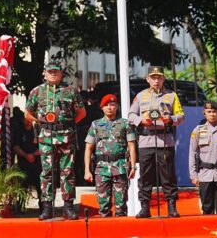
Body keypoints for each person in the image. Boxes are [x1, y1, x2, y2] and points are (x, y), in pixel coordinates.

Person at [25, 59, 86, 221]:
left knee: (68, 172)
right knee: (47, 172)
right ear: (44, 73)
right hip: (46, 137)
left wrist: (68, 124)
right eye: (50, 71)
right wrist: (40, 122)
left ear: (61, 73)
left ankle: (68, 207)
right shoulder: (36, 91)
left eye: (56, 71)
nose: (53, 74)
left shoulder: (70, 90)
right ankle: (46, 207)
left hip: (66, 136)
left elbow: (81, 113)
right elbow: (27, 113)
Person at [128, 66, 185, 218]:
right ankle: (145, 207)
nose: (156, 80)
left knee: (168, 176)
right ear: (148, 79)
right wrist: (141, 120)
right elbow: (131, 115)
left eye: (159, 77)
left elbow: (181, 115)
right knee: (145, 176)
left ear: (163, 79)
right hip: (146, 141)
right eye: (153, 77)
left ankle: (171, 206)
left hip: (165, 141)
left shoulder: (171, 96)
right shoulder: (141, 96)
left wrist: (171, 119)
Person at [84, 94, 136, 217]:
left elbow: (131, 146)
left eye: (112, 105)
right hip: (101, 169)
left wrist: (133, 167)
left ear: (117, 106)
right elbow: (88, 148)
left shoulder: (125, 124)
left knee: (121, 206)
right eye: (106, 105)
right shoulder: (95, 125)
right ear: (101, 107)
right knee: (103, 207)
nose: (109, 107)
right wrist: (87, 170)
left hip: (120, 167)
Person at [13, 118, 42, 213]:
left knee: (40, 185)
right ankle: (21, 206)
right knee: (23, 185)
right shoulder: (19, 132)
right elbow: (16, 148)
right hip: (24, 162)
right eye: (25, 119)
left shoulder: (37, 131)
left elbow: (43, 146)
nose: (28, 121)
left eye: (29, 119)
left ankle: (43, 206)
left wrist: (34, 154)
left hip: (37, 163)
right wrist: (26, 156)